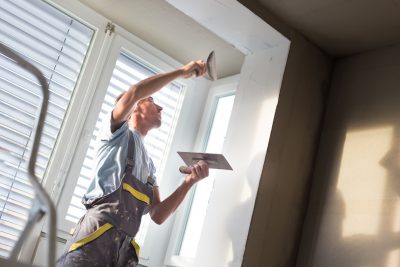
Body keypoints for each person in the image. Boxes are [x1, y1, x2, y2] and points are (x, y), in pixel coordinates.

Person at [57, 60, 210, 267]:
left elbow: (158, 215)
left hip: (122, 252)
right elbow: (136, 91)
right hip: (93, 241)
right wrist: (181, 72)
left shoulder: (149, 165)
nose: (161, 106)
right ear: (135, 106)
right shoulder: (115, 134)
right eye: (152, 100)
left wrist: (189, 182)